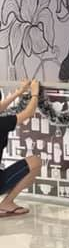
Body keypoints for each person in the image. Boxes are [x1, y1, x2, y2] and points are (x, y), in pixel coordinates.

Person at [0, 79, 41, 219]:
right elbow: (28, 113)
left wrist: (19, 92)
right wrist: (35, 93)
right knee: (35, 162)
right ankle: (7, 203)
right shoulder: (2, 123)